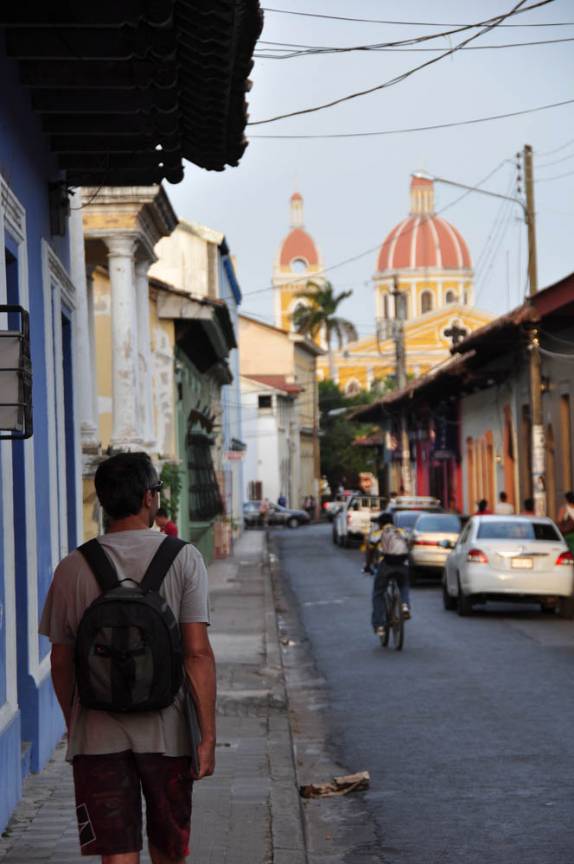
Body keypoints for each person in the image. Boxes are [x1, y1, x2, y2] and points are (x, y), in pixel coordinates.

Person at [39, 452, 215, 864]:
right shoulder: (184, 558)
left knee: (117, 854)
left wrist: (74, 721)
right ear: (149, 498)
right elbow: (198, 654)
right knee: (169, 849)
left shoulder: (72, 567)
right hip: (168, 734)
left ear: (103, 502)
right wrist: (206, 736)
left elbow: (61, 662)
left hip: (98, 733)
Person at [371, 513, 411, 640]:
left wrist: (367, 565)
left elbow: (370, 548)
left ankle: (380, 626)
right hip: (402, 564)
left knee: (378, 593)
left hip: (386, 565)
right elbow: (409, 544)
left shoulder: (378, 533)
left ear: (380, 523)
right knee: (404, 583)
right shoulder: (401, 531)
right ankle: (404, 605)